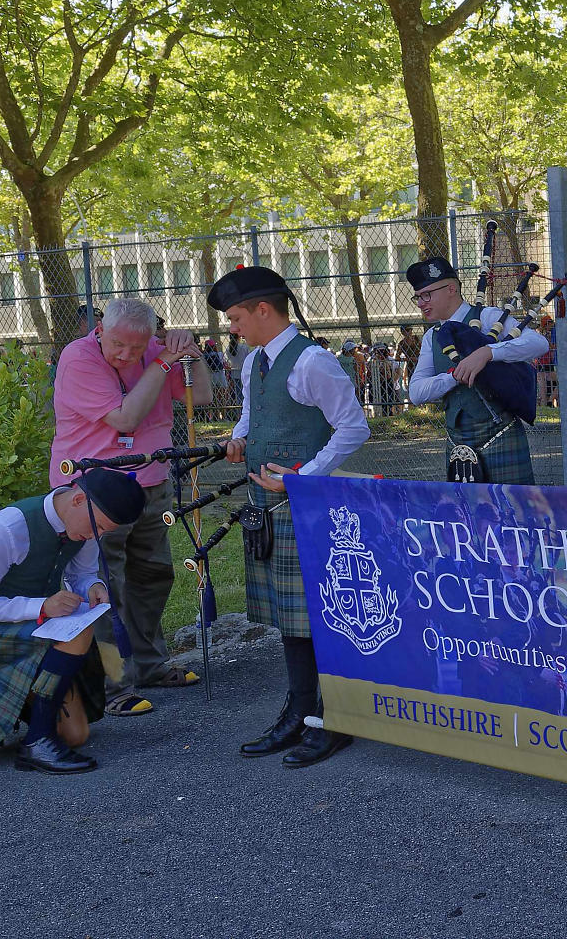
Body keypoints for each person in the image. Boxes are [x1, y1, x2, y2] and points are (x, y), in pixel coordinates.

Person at [211, 265, 370, 768]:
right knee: (292, 620)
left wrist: (305, 477)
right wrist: (239, 438)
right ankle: (300, 712)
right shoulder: (252, 361)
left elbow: (353, 427)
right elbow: (252, 416)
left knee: (324, 618)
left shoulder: (313, 362)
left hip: (310, 508)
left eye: (236, 317)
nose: (232, 327)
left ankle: (334, 718)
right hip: (267, 508)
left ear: (263, 309)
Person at [49, 298, 212, 705]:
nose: (126, 355)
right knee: (104, 584)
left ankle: (150, 666)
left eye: (137, 348)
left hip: (151, 481)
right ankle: (113, 684)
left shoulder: (158, 350)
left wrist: (191, 354)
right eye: (118, 344)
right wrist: (159, 363)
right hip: (96, 490)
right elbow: (125, 418)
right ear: (101, 327)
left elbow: (204, 396)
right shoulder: (79, 357)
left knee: (153, 576)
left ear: (152, 337)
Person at [0, 470, 144, 774]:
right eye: (99, 527)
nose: (97, 536)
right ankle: (37, 741)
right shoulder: (7, 529)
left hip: (36, 627)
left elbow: (81, 575)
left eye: (105, 531)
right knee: (80, 634)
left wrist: (93, 587)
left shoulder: (86, 524)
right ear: (79, 499)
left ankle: (32, 709)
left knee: (76, 736)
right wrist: (41, 606)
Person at [406, 255, 548, 484]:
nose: (421, 303)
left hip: (500, 435)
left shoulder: (489, 317)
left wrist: (488, 353)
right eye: (418, 297)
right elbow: (416, 393)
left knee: (514, 513)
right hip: (458, 443)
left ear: (451, 288)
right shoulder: (431, 338)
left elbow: (538, 344)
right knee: (465, 517)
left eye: (427, 295)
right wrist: (454, 376)